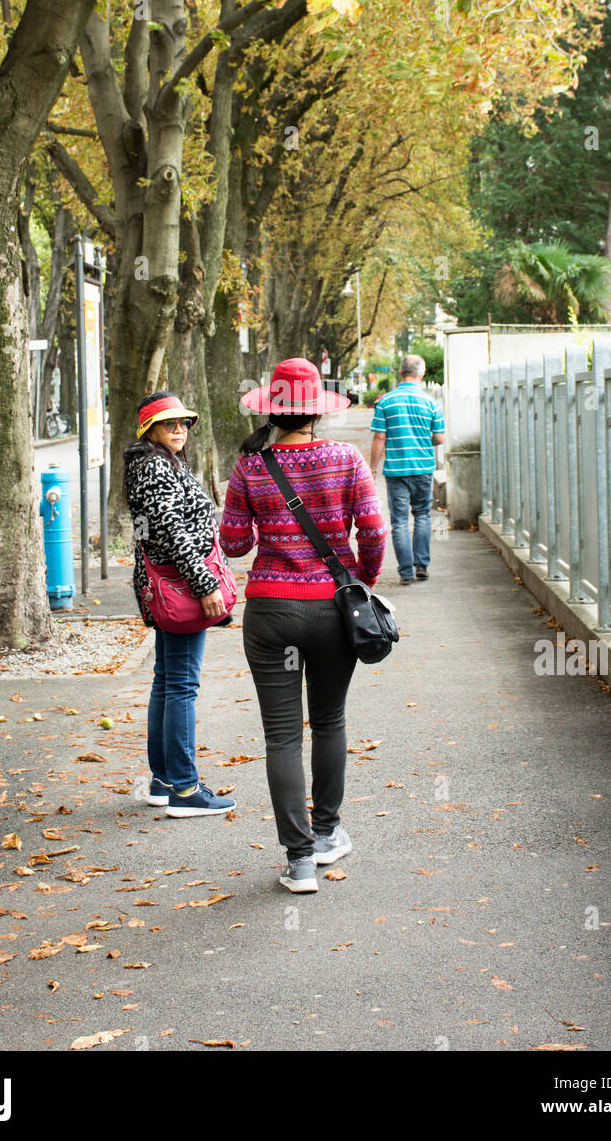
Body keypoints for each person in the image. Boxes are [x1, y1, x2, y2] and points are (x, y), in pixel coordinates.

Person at [220, 358, 387, 893]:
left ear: (275, 407)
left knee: (282, 737)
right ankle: (326, 833)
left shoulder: (250, 466)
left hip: (269, 611)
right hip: (331, 612)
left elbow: (234, 543)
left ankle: (299, 862)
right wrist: (361, 578)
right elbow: (374, 531)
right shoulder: (346, 458)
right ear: (317, 408)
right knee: (330, 722)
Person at [124, 390, 235, 819]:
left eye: (184, 422)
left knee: (166, 682)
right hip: (182, 587)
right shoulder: (156, 467)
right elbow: (173, 531)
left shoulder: (146, 464)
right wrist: (205, 584)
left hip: (165, 585)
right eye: (169, 423)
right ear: (149, 428)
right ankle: (186, 791)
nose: (179, 429)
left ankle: (164, 780)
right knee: (181, 685)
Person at [369, 354, 444, 585]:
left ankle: (405, 573)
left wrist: (372, 469)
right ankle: (422, 565)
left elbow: (380, 438)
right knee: (422, 514)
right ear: (421, 374)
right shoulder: (431, 403)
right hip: (423, 468)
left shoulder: (385, 402)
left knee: (399, 521)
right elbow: (439, 438)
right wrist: (421, 440)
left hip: (396, 471)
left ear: (400, 373)